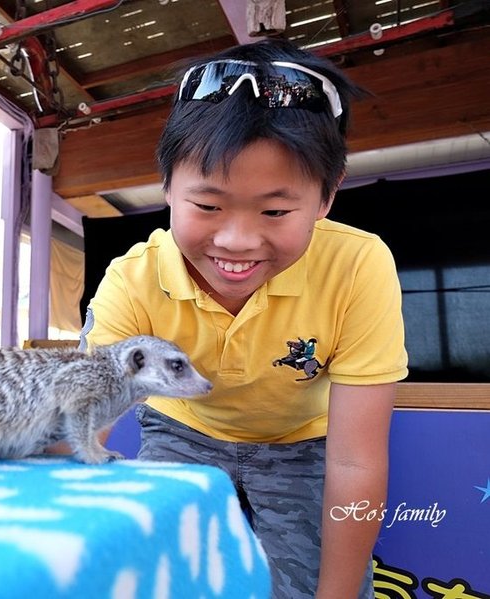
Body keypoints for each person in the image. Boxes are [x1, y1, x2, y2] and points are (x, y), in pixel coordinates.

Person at [80, 38, 408, 598]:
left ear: (328, 196)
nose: (236, 241)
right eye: (207, 206)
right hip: (182, 430)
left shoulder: (359, 265)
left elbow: (354, 463)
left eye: (275, 211)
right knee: (164, 581)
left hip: (304, 444)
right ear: (167, 188)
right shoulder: (132, 278)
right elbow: (79, 429)